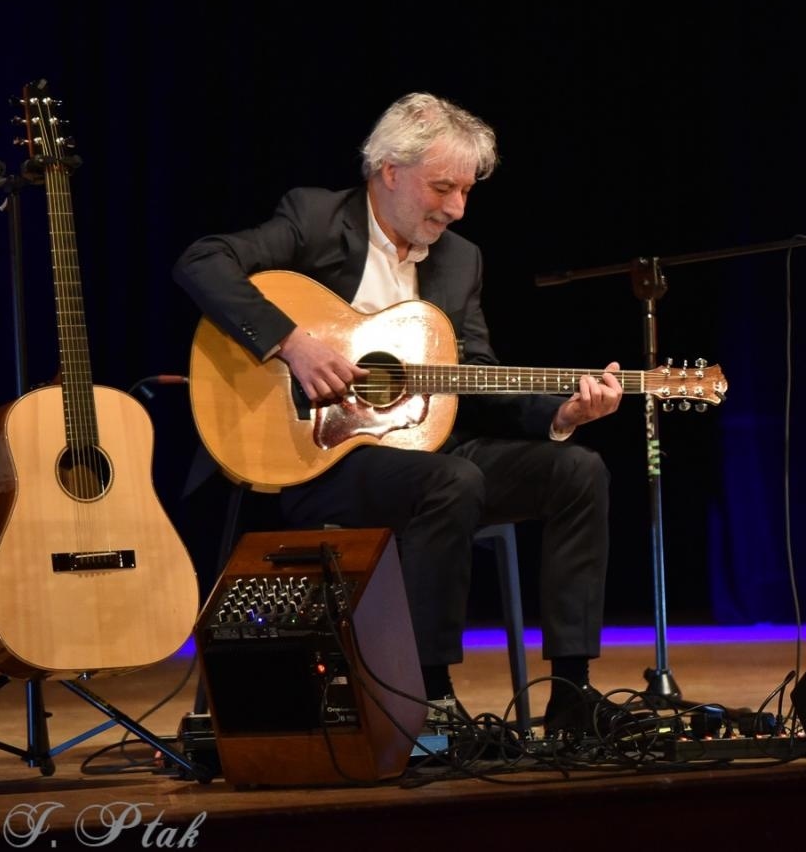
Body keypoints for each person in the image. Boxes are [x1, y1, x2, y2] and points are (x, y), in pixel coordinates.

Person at [175, 92, 629, 736]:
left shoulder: (460, 258)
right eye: (442, 187)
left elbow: (478, 378)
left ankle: (571, 693)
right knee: (453, 483)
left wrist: (563, 414)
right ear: (389, 171)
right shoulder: (315, 217)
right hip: (319, 460)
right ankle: (431, 696)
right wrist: (292, 342)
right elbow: (202, 261)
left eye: (466, 191)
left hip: (429, 451)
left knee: (578, 470)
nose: (456, 208)